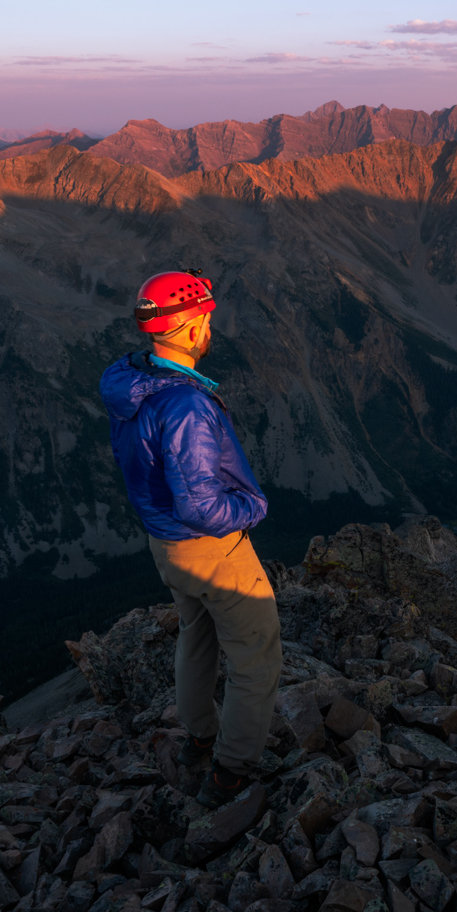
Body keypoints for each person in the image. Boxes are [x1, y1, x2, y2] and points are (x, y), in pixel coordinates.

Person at [99, 271, 282, 809]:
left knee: (196, 634)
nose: (210, 328)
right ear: (184, 328)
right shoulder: (183, 405)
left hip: (165, 546)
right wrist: (255, 506)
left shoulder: (130, 378)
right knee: (256, 654)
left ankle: (199, 737)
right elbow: (201, 505)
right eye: (204, 318)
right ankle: (232, 770)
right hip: (211, 549)